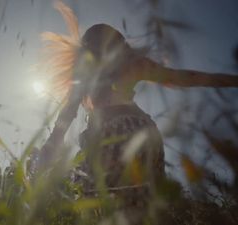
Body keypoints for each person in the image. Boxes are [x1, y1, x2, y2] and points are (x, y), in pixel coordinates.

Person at [35, 1, 238, 223]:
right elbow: (187, 78)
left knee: (95, 202)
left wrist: (50, 147)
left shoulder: (86, 74)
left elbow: (66, 116)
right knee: (138, 205)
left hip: (114, 134)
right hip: (144, 134)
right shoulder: (129, 65)